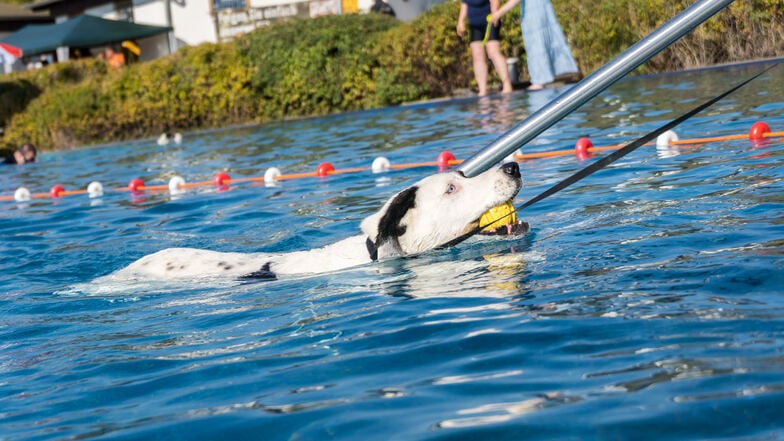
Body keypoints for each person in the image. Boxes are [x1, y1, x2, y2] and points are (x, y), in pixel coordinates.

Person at [493, 0, 580, 90]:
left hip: (534, 13)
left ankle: (540, 79)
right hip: (542, 9)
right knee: (548, 38)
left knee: (536, 43)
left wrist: (499, 13)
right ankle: (557, 71)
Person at [457, 0, 513, 97]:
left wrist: (495, 13)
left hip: (489, 20)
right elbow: (465, 3)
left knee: (493, 52)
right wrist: (461, 21)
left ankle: (507, 85)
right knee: (477, 55)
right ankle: (482, 90)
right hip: (474, 23)